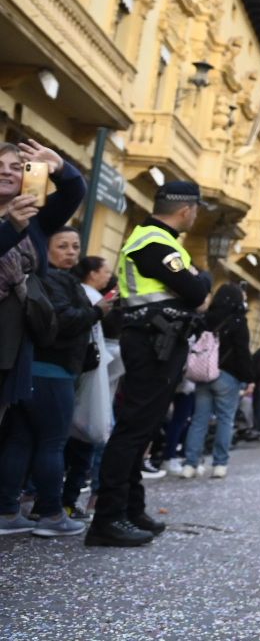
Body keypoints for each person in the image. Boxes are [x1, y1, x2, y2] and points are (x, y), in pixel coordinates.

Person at [87, 180, 211, 548]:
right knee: (133, 430)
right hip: (151, 340)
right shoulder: (153, 241)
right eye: (196, 210)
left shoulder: (161, 241)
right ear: (186, 209)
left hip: (160, 340)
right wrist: (197, 281)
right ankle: (107, 519)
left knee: (142, 429)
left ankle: (130, 508)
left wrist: (195, 285)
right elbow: (198, 292)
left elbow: (194, 292)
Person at [0, 227, 114, 536]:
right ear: (44, 249)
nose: (71, 252)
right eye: (62, 245)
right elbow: (63, 322)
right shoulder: (53, 279)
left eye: (75, 246)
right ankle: (51, 514)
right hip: (53, 372)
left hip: (31, 371)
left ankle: (8, 511)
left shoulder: (43, 278)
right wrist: (97, 311)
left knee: (20, 440)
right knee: (52, 443)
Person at [0, 141, 86, 424]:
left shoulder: (37, 218)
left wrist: (60, 168)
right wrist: (11, 227)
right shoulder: (18, 221)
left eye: (16, 167)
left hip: (9, 336)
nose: (7, 172)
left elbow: (74, 191)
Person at [62, 255, 117, 518]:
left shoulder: (76, 292)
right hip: (84, 375)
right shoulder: (95, 299)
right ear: (93, 273)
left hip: (74, 372)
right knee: (84, 439)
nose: (109, 275)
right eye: (106, 270)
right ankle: (67, 501)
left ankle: (43, 499)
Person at [180, 281, 250, 478]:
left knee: (199, 420)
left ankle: (190, 464)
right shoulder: (238, 320)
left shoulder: (207, 318)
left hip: (203, 373)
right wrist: (248, 377)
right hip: (228, 375)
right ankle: (220, 464)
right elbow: (242, 351)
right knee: (225, 420)